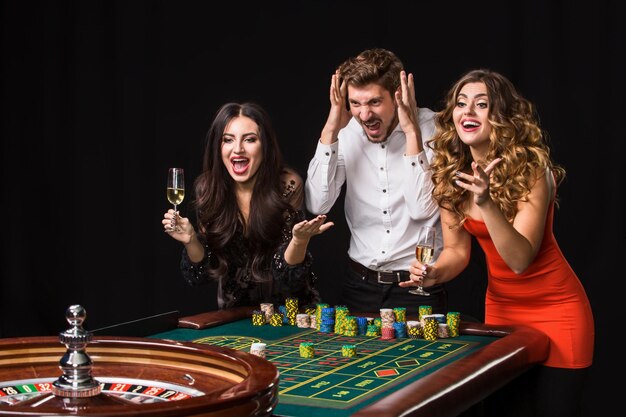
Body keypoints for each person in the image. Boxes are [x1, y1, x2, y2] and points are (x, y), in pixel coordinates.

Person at [403, 69, 594, 416]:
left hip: (558, 310)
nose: (467, 112)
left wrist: (487, 203)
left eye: (481, 104)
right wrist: (434, 273)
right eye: (461, 104)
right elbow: (458, 252)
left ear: (502, 117)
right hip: (502, 311)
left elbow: (520, 259)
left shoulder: (532, 169)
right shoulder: (450, 173)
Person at [305, 48, 446, 314]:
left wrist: (411, 130)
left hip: (417, 286)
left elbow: (421, 210)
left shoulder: (436, 129)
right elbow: (317, 203)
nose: (364, 115)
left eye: (373, 102)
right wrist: (331, 128)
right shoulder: (346, 130)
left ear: (398, 95)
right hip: (359, 285)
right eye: (355, 103)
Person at [163, 102, 333, 310]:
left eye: (250, 139)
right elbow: (203, 274)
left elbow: (289, 276)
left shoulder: (287, 185)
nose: (238, 149)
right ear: (218, 147)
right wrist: (191, 241)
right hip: (234, 314)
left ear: (265, 145)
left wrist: (299, 241)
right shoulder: (207, 189)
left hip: (290, 314)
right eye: (228, 140)